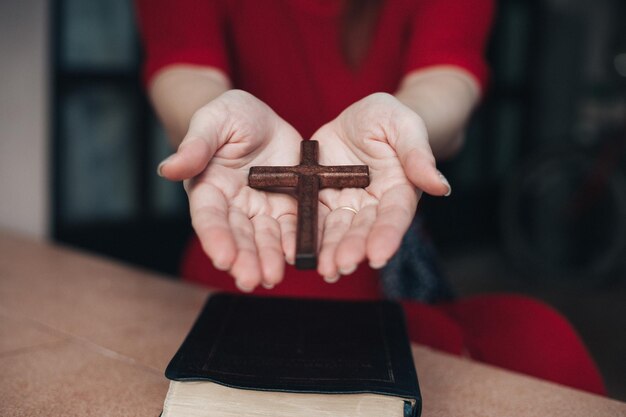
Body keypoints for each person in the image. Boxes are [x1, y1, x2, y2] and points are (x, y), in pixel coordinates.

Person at [135, 0, 606, 395]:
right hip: (243, 250)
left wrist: (406, 121)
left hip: (381, 257)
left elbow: (447, 77)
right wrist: (211, 121)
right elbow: (184, 66)